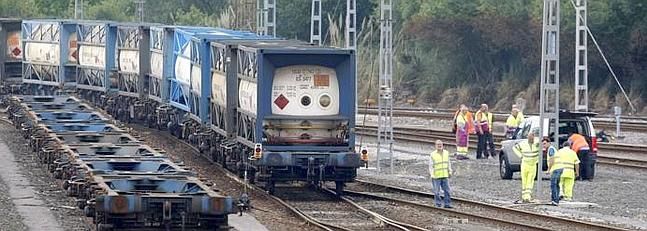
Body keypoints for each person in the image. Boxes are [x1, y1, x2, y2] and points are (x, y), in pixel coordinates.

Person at [513, 131, 540, 203]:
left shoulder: (537, 143)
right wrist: (520, 156)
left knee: (530, 180)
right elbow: (515, 148)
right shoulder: (523, 144)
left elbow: (541, 145)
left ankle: (527, 196)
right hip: (525, 164)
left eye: (532, 136)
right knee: (524, 180)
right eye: (530, 136)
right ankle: (524, 196)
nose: (531, 138)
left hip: (533, 164)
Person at [429, 140, 453, 208]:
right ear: (435, 146)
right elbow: (431, 166)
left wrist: (450, 171)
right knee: (436, 192)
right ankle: (438, 204)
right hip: (436, 176)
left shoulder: (446, 153)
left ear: (443, 145)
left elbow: (448, 163)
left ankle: (447, 204)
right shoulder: (432, 154)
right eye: (438, 144)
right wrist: (432, 174)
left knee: (447, 191)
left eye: (441, 144)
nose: (439, 146)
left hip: (445, 175)